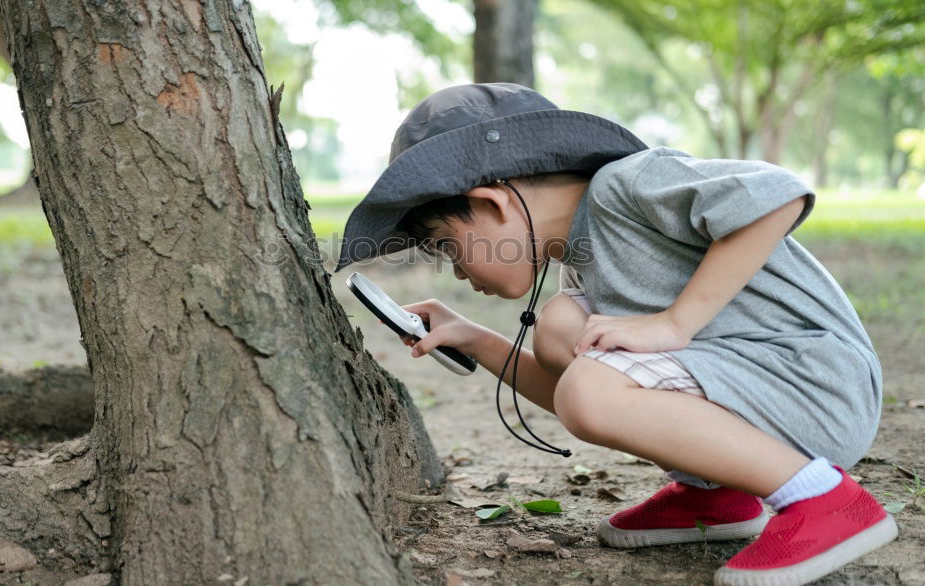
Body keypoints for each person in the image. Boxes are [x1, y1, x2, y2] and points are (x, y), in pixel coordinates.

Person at [333, 83, 897, 586]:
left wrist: (675, 324)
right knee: (560, 329)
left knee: (585, 370)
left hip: (815, 383)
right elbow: (585, 396)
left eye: (448, 249)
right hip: (763, 390)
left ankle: (826, 502)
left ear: (491, 202)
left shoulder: (627, 184)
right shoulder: (583, 256)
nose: (456, 271)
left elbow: (776, 194)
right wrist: (476, 338)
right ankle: (720, 491)